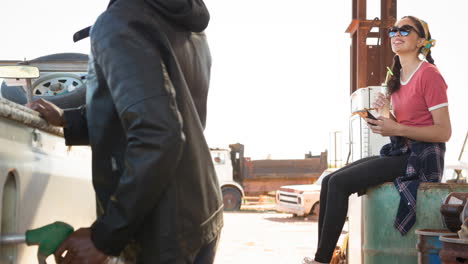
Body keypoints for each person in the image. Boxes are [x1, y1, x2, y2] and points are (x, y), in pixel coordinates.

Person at [27, 0, 223, 263]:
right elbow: (147, 114)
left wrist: (104, 237)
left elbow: (157, 134)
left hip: (160, 233)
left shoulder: (119, 23)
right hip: (201, 215)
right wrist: (67, 119)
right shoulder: (188, 27)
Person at [303, 16, 451, 264]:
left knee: (340, 184)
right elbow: (402, 127)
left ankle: (321, 261)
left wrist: (396, 126)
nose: (396, 34)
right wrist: (384, 117)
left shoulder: (430, 75)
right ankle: (326, 257)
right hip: (402, 151)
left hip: (422, 158)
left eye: (405, 29)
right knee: (330, 180)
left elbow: (443, 132)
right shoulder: (398, 77)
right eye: (393, 30)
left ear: (421, 41)